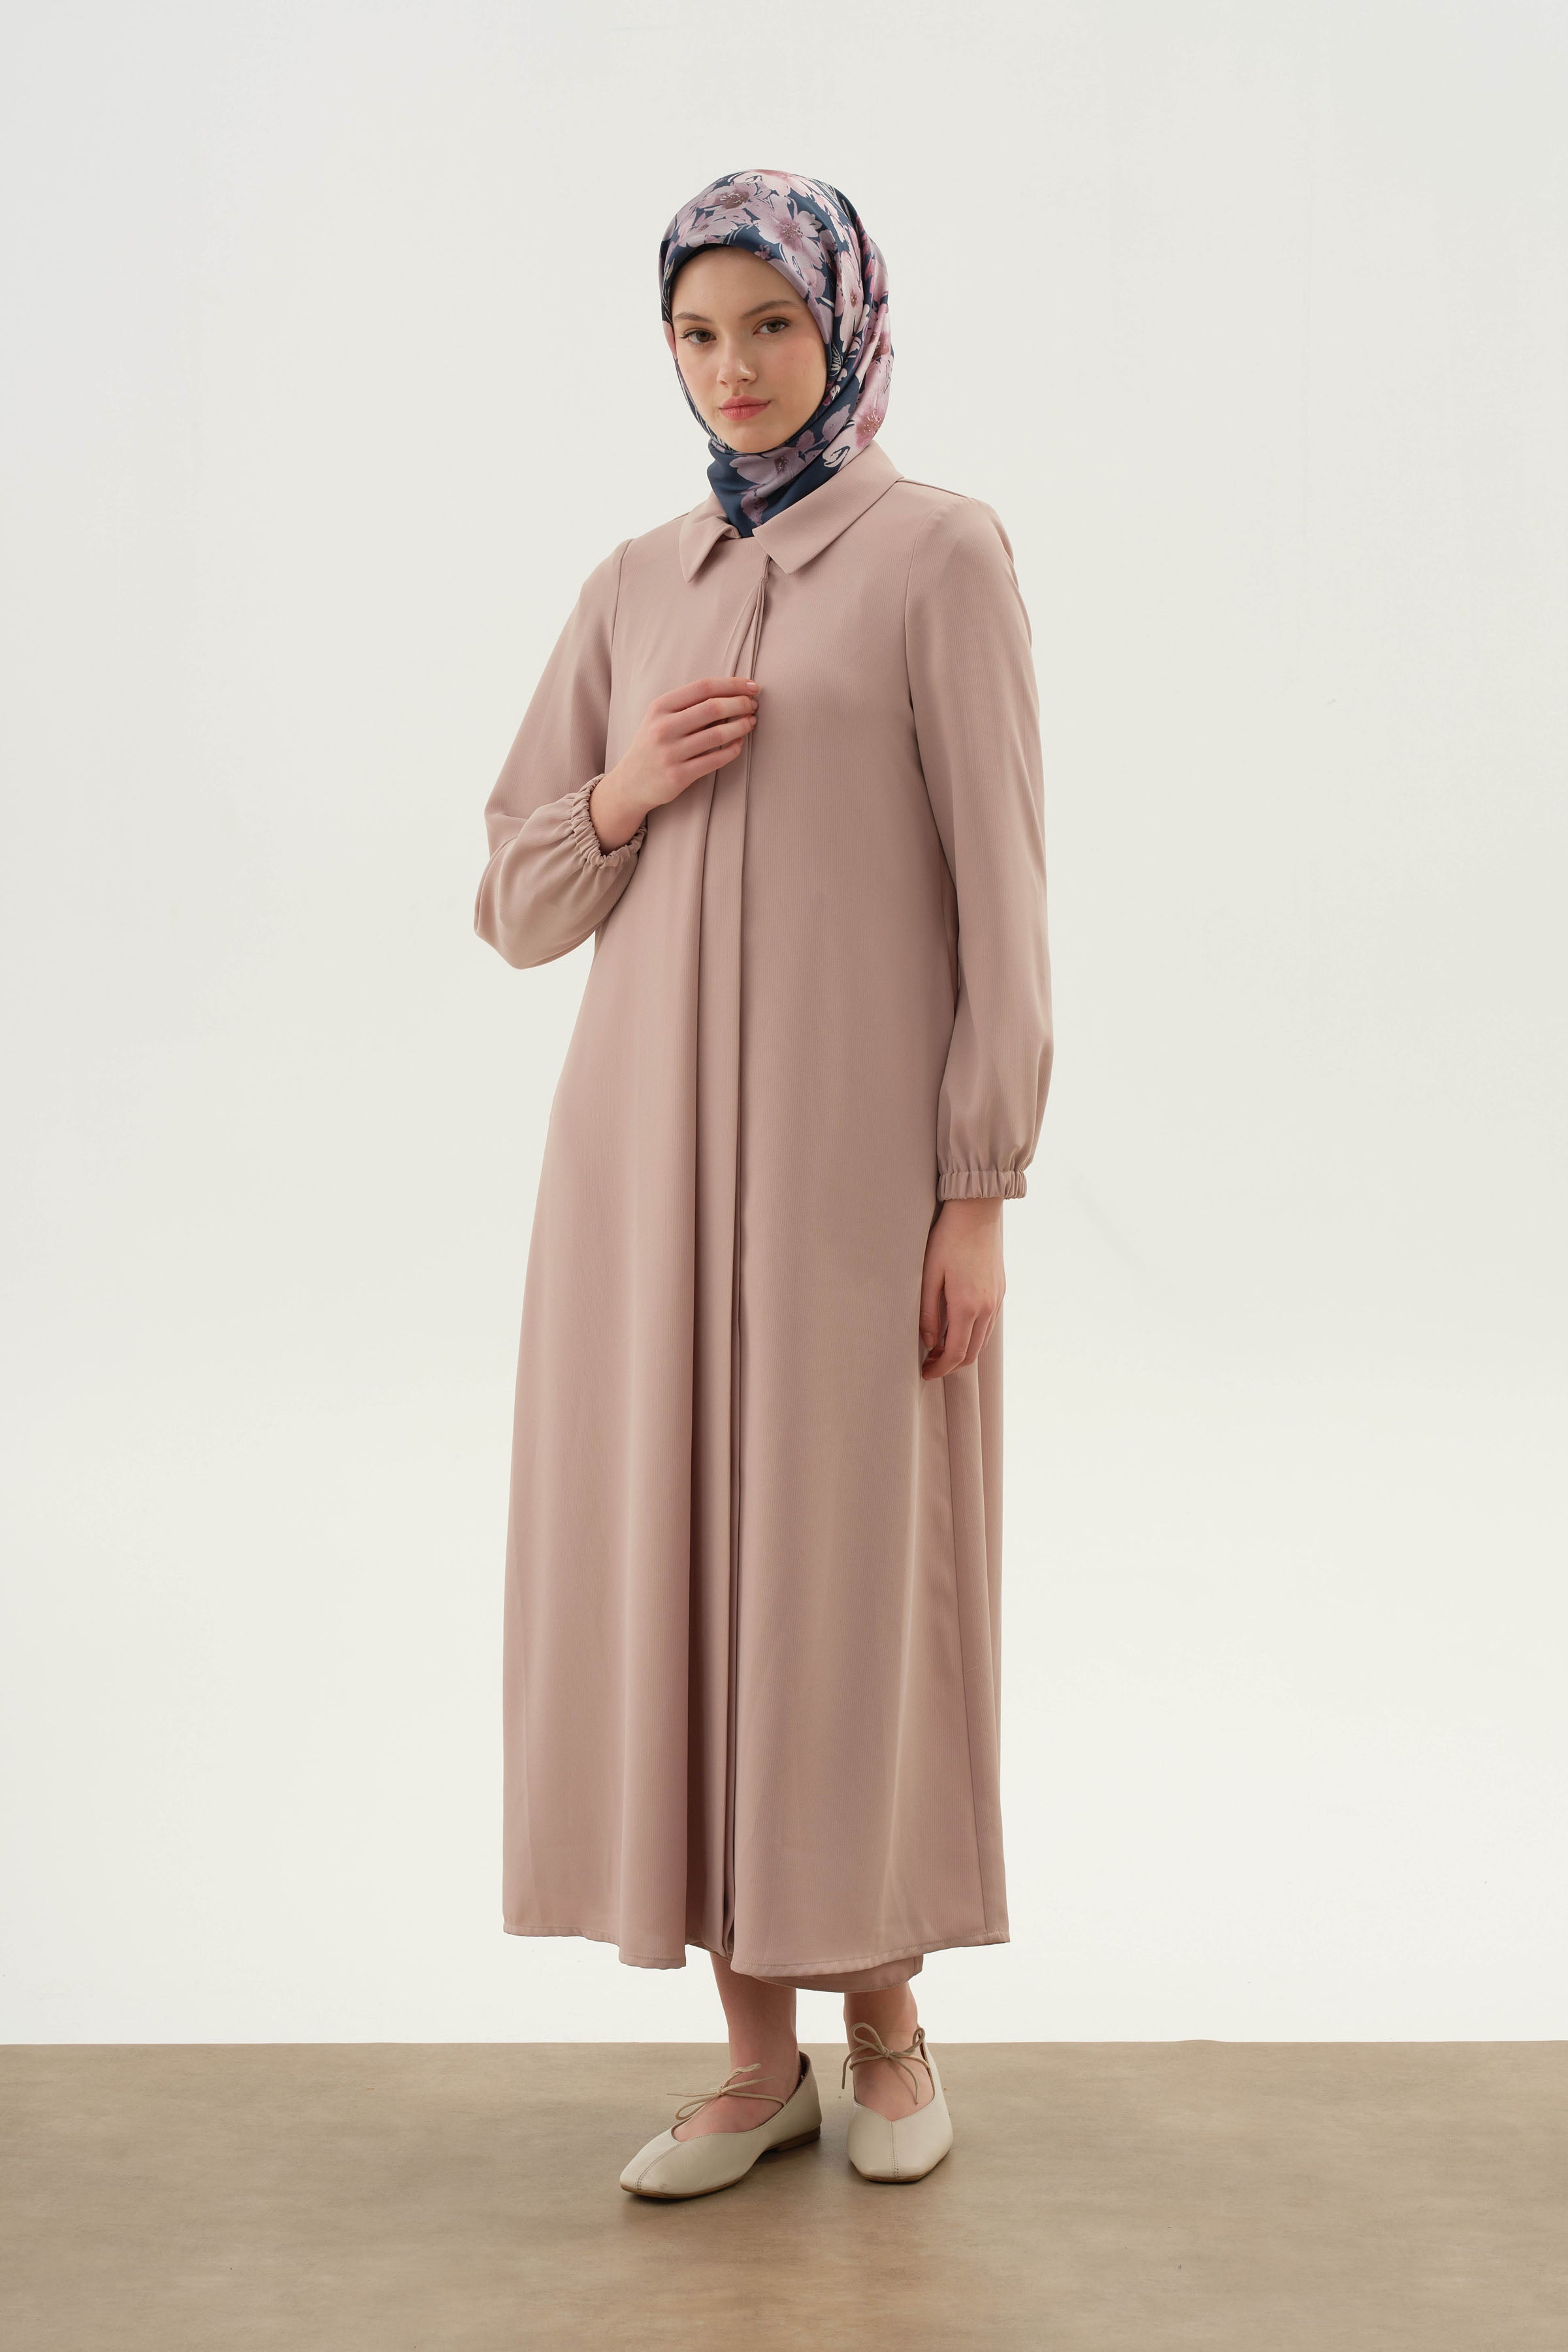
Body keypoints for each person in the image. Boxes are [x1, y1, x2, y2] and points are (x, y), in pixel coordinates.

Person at [474, 169, 1053, 2200]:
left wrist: (977, 1185)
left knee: (842, 1586)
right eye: (698, 335)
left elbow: (1006, 900)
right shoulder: (636, 581)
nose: (734, 369)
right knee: (679, 1588)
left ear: (846, 327)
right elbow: (515, 895)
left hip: (848, 1186)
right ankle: (751, 2062)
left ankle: (885, 2027)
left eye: (772, 327)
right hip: (637, 1185)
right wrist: (624, 789)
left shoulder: (938, 557)